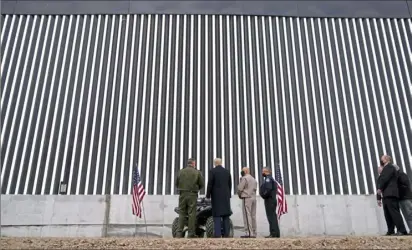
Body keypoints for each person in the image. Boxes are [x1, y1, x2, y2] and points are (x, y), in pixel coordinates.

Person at [377, 155, 407, 235]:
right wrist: (379, 198)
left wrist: (380, 188)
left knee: (394, 213)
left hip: (391, 194)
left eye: (382, 159)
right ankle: (391, 230)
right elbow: (382, 180)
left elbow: (385, 179)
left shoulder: (389, 167)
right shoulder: (386, 168)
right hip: (386, 195)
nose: (381, 160)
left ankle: (402, 230)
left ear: (386, 159)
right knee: (388, 214)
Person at [175, 158, 205, 238]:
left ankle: (179, 233)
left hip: (182, 194)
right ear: (193, 164)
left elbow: (176, 183)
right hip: (192, 195)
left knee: (182, 213)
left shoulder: (181, 171)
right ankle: (191, 233)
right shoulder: (197, 172)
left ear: (188, 163)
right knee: (192, 213)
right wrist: (196, 189)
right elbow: (202, 184)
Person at [206, 158, 232, 238]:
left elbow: (210, 184)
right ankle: (226, 234)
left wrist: (208, 195)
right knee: (226, 215)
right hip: (225, 196)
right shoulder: (227, 171)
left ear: (215, 163)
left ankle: (218, 234)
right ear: (221, 163)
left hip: (216, 196)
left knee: (217, 215)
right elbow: (229, 184)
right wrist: (229, 195)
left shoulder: (212, 171)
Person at [237, 167, 257, 238]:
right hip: (254, 198)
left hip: (247, 198)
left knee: (247, 215)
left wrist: (240, 195)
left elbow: (240, 188)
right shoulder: (254, 179)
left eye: (242, 170)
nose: (241, 172)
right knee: (253, 216)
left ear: (245, 171)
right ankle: (254, 232)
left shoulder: (244, 178)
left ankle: (249, 233)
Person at [260, 167, 280, 238]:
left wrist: (263, 195)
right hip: (272, 200)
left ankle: (273, 233)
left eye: (263, 171)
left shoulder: (268, 179)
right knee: (273, 217)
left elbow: (268, 189)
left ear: (266, 171)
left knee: (271, 217)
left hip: (269, 200)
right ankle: (276, 233)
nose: (262, 173)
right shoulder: (272, 179)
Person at [395, 164, 412, 235]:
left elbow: (405, 185)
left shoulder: (401, 175)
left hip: (405, 198)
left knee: (409, 214)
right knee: (406, 215)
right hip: (402, 198)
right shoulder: (398, 176)